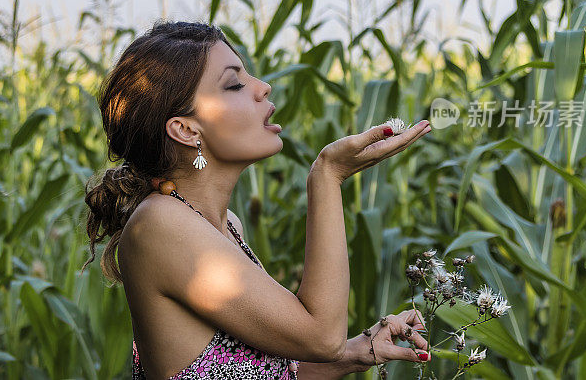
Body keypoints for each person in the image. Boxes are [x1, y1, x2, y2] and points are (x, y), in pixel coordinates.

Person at [81, 20, 433, 379]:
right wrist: (327, 176)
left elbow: (269, 372)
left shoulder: (226, 224)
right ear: (186, 130)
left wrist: (359, 351)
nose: (263, 87)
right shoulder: (159, 225)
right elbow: (323, 338)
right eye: (234, 84)